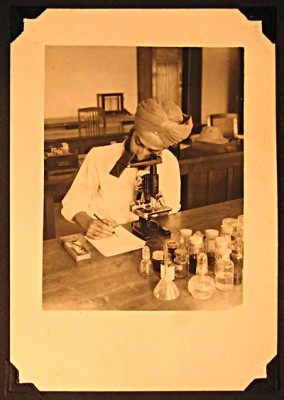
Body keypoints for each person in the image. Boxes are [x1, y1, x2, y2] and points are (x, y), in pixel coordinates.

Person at [61, 98, 193, 239]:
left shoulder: (169, 162)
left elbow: (172, 209)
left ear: (163, 149)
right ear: (133, 130)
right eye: (139, 143)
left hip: (150, 239)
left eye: (152, 151)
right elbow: (73, 203)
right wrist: (88, 223)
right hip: (109, 239)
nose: (141, 154)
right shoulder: (99, 156)